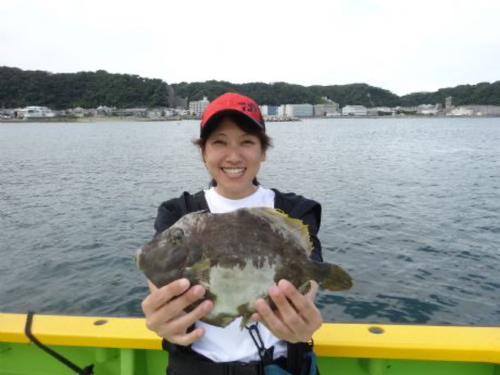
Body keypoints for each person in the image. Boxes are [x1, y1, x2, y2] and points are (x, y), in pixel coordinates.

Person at [141, 92, 324, 375]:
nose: (234, 156)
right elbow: (163, 274)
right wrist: (164, 316)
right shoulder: (178, 212)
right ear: (204, 152)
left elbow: (310, 273)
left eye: (247, 142)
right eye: (219, 142)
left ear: (263, 151)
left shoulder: (295, 210)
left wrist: (302, 309)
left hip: (283, 367)